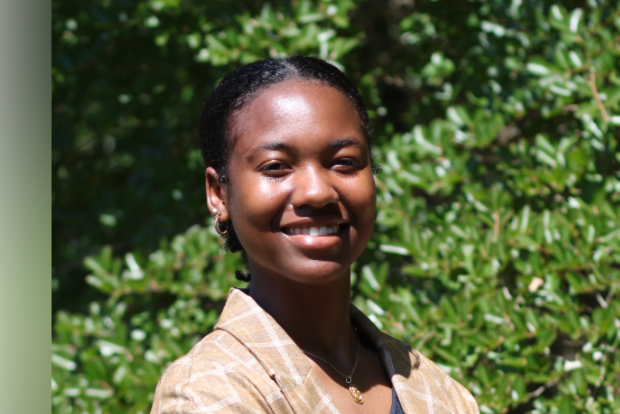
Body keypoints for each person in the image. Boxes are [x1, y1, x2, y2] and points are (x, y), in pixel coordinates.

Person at [150, 56, 479, 414]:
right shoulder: (208, 391)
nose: (317, 192)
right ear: (218, 193)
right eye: (276, 167)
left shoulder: (439, 392)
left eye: (344, 162)